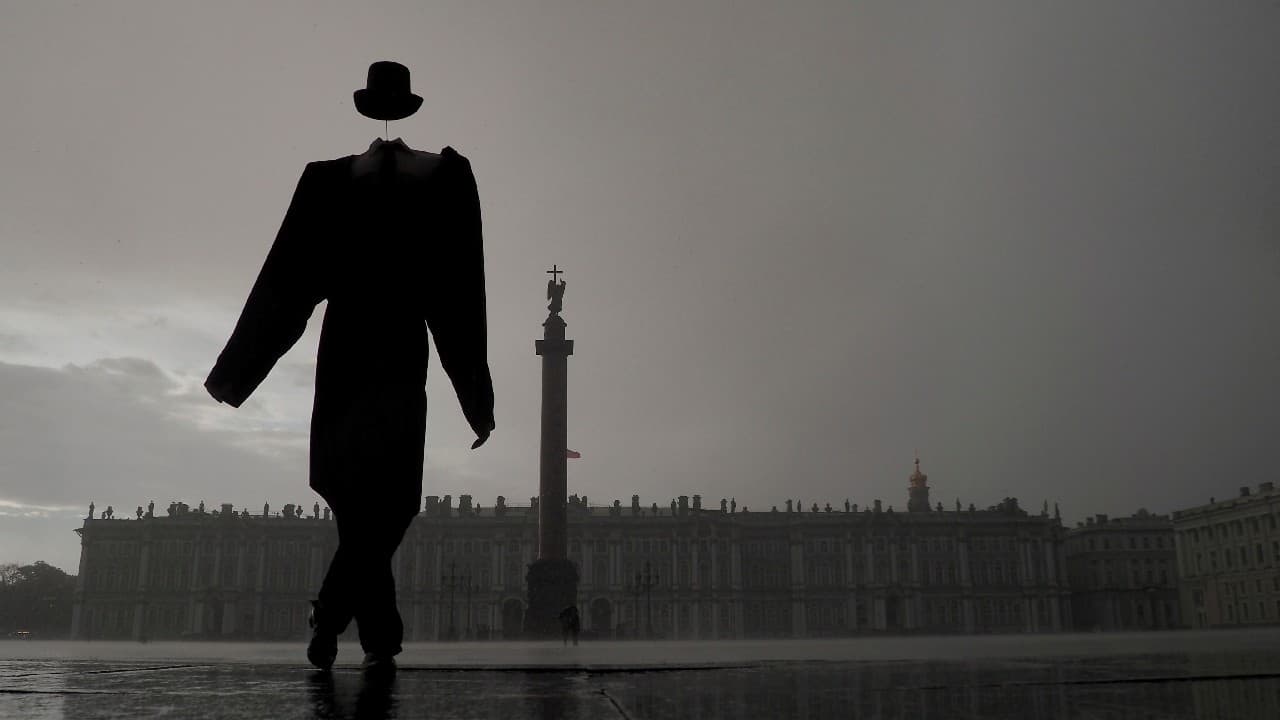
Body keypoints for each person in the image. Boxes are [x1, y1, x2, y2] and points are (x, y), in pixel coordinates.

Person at [205, 61, 494, 674]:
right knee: (375, 500)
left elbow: (287, 282)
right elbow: (459, 292)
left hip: (353, 348)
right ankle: (376, 631)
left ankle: (334, 618)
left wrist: (239, 369)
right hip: (391, 348)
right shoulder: (435, 179)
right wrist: (473, 389)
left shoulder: (335, 181)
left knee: (375, 500)